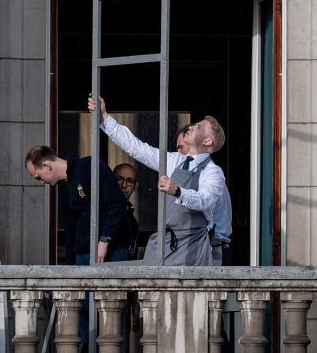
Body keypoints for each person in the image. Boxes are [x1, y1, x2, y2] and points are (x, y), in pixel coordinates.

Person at [87, 95, 226, 266]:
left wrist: (177, 190)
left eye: (198, 127)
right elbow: (136, 148)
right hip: (164, 243)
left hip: (191, 249)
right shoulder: (175, 160)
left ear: (207, 141)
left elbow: (206, 200)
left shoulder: (213, 172)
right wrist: (104, 118)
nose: (191, 126)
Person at [25, 145, 128, 264]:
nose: (41, 182)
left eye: (38, 177)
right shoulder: (63, 187)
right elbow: (70, 229)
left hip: (111, 251)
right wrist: (70, 266)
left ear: (47, 166)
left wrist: (105, 240)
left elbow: (118, 204)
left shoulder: (90, 167)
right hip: (82, 255)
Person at [175, 128, 233, 265]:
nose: (179, 153)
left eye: (182, 148)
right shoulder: (188, 176)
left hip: (213, 249)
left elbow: (209, 207)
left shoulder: (210, 177)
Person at [113, 162, 141, 259]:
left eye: (130, 181)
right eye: (119, 179)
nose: (124, 185)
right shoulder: (103, 212)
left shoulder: (131, 218)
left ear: (136, 186)